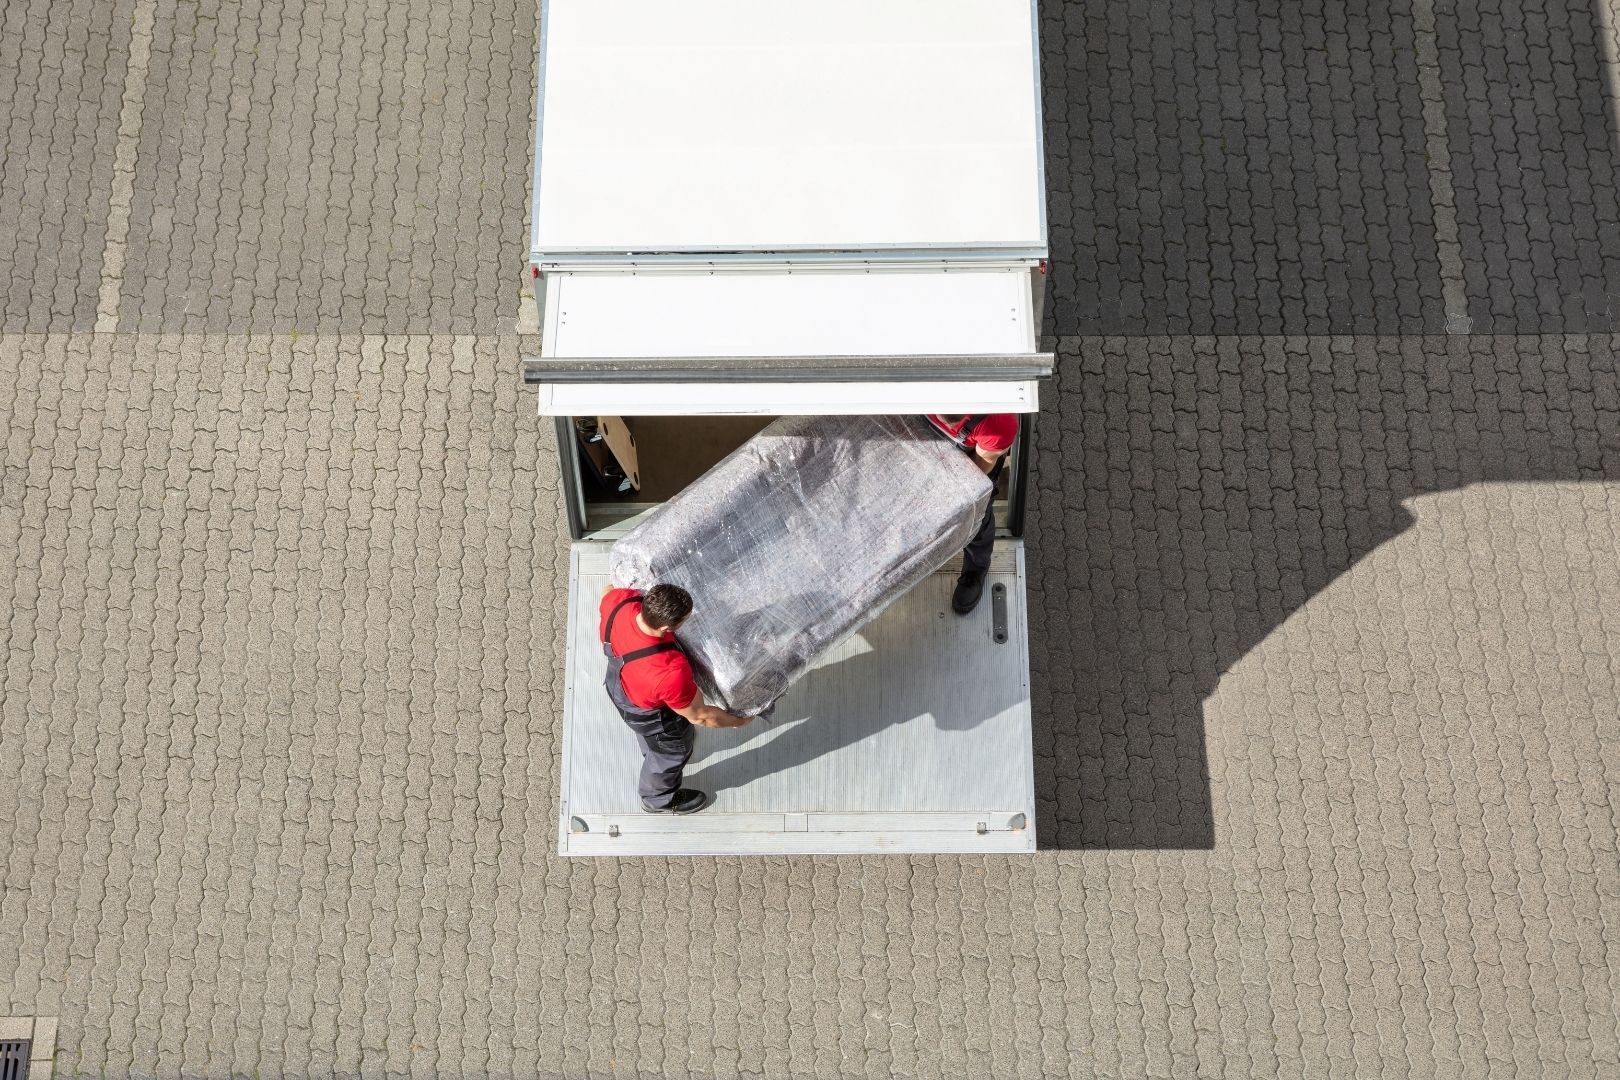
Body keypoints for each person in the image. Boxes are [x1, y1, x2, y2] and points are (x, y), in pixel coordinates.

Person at [598, 582, 752, 814]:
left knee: (652, 739)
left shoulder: (619, 600)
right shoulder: (671, 672)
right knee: (670, 753)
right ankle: (657, 798)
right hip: (647, 711)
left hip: (618, 683)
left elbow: (607, 590)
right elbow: (701, 717)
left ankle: (651, 748)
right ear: (669, 626)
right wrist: (739, 721)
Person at [924, 414, 1020, 615]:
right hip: (921, 439)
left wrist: (955, 495)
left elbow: (982, 463)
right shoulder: (904, 387)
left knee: (977, 514)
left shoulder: (998, 423)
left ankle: (975, 570)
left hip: (971, 459)